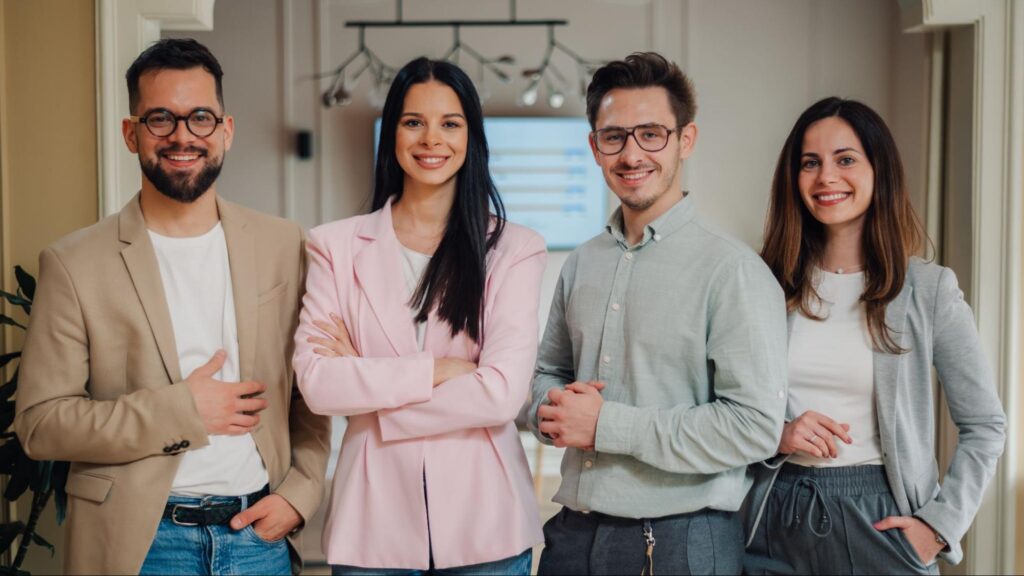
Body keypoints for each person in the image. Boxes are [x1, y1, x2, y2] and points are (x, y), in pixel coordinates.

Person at [13, 38, 331, 575]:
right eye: (160, 118)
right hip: (139, 546)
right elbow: (41, 425)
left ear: (226, 129)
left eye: (200, 117)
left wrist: (301, 493)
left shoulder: (285, 245)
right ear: (130, 132)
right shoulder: (73, 263)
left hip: (258, 537)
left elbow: (309, 393)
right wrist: (183, 411)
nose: (182, 135)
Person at [528, 52, 788, 575]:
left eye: (651, 134)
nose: (631, 154)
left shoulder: (731, 269)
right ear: (594, 147)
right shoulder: (581, 262)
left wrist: (607, 425)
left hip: (679, 542)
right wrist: (549, 411)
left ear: (685, 140)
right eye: (614, 136)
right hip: (572, 536)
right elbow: (546, 376)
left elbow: (755, 427)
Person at [292, 57, 545, 575]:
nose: (432, 139)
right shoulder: (334, 246)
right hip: (373, 526)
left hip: (486, 526)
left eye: (450, 123)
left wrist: (369, 398)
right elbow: (318, 385)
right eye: (414, 122)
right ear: (393, 134)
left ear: (471, 136)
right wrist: (439, 370)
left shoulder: (516, 249)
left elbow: (501, 392)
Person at [744, 97, 1006, 575]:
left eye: (845, 159)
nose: (826, 177)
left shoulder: (928, 290)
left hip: (881, 515)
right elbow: (725, 405)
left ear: (878, 170)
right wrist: (777, 435)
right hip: (772, 510)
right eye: (810, 163)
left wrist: (939, 528)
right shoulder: (763, 284)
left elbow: (986, 424)